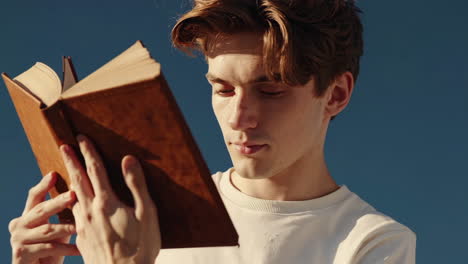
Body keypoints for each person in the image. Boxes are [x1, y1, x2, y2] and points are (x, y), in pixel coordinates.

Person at [8, 0, 416, 263]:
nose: (238, 118)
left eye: (270, 91)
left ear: (336, 94)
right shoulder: (154, 214)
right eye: (222, 89)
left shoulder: (374, 244)